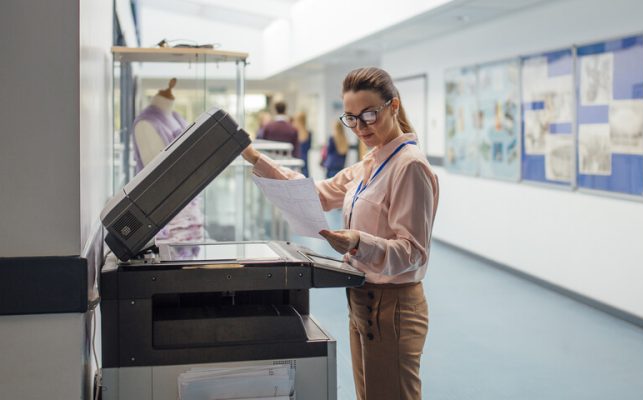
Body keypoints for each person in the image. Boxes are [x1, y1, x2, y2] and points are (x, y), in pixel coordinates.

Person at [242, 67, 439, 400]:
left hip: (394, 307)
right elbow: (316, 193)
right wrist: (255, 157)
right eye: (352, 118)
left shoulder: (409, 166)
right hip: (362, 298)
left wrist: (358, 241)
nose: (360, 128)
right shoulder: (371, 162)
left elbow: (413, 252)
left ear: (393, 106)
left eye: (369, 115)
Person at [132, 78, 203, 245]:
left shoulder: (177, 117)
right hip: (168, 218)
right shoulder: (146, 123)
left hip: (191, 212)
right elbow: (159, 176)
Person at [293, 111, 312, 176]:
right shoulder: (309, 133)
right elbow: (309, 147)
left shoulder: (295, 133)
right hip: (305, 159)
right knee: (304, 177)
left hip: (296, 158)